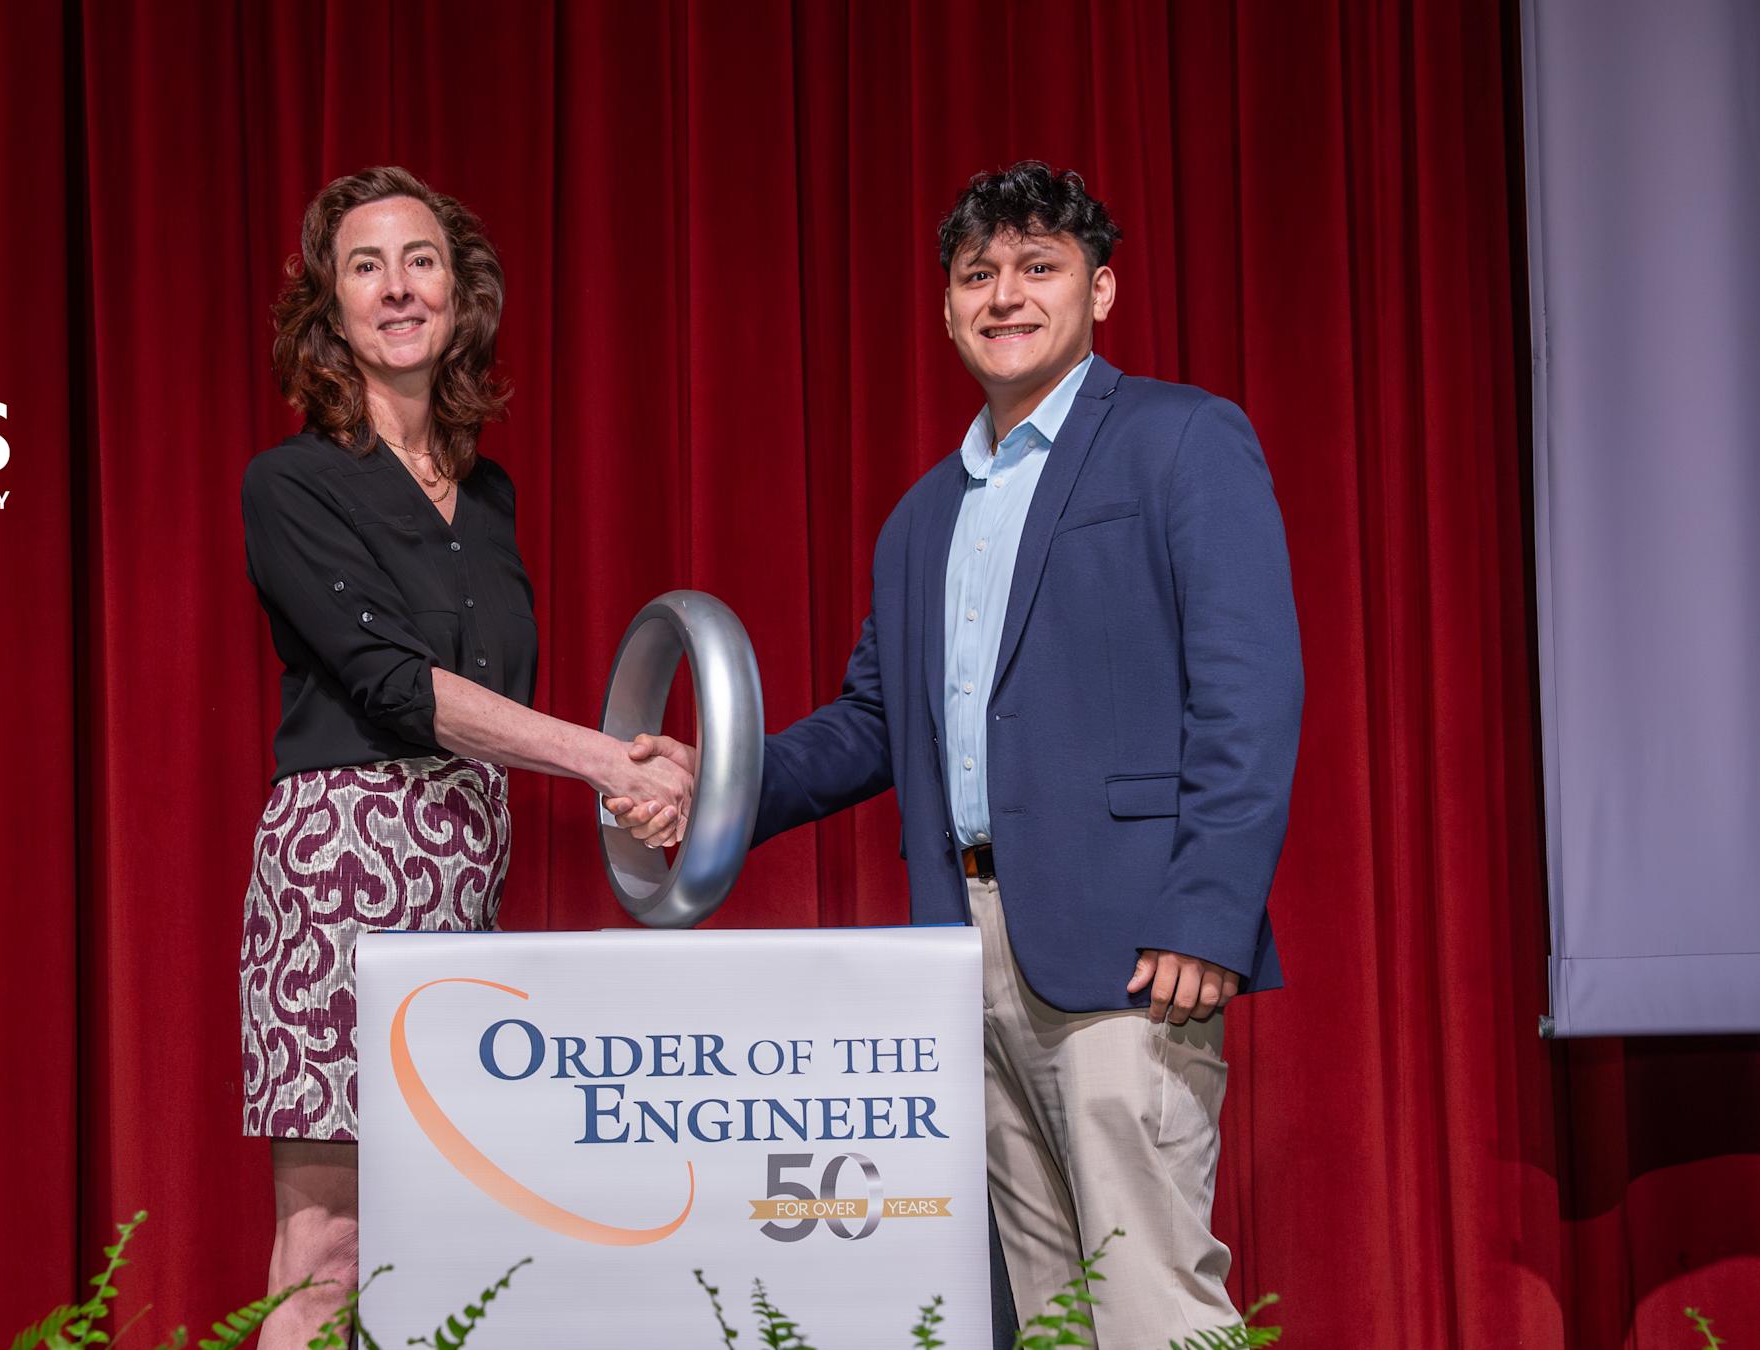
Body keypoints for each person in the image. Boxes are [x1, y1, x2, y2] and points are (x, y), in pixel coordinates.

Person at [611, 161, 1301, 1345]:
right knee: (1048, 1311)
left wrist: (1208, 913)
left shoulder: (1183, 440)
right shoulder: (923, 515)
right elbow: (877, 724)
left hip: (1131, 944)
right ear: (945, 308)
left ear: (1103, 289)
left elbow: (1249, 692)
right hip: (960, 944)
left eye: (1040, 267)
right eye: (979, 274)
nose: (1006, 295)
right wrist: (713, 785)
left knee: (1148, 1298)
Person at [240, 165, 692, 1346]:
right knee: (328, 1241)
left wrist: (635, 774)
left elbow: (495, 701)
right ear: (329, 309)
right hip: (342, 868)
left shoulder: (486, 494)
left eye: (421, 260)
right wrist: (607, 762)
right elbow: (395, 688)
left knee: (450, 1230)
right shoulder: (289, 483)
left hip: (460, 875)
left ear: (460, 292)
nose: (397, 288)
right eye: (365, 266)